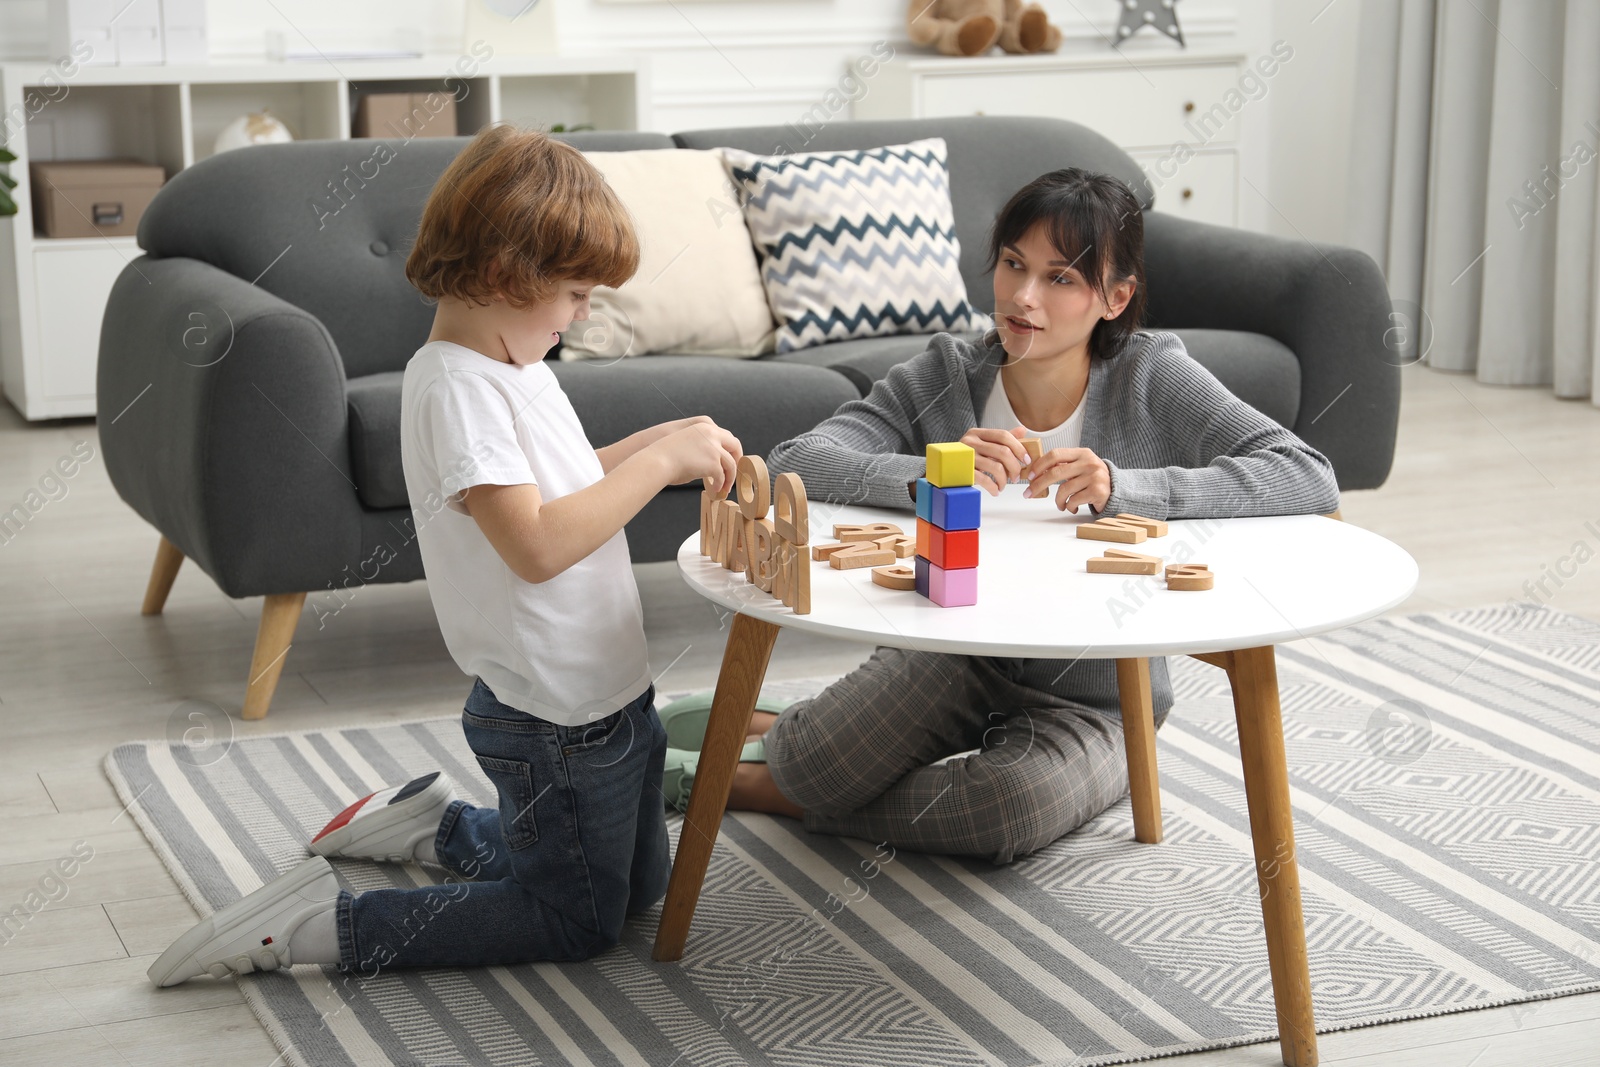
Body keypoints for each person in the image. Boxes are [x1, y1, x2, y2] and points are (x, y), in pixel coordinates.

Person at [148, 125, 743, 986]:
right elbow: (536, 544)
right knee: (574, 919)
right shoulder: (459, 390)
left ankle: (435, 825)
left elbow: (562, 484)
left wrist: (666, 437)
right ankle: (316, 926)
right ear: (507, 277)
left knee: (640, 887)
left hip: (606, 696)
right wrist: (658, 465)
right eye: (576, 293)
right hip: (554, 719)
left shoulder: (512, 361)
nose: (584, 313)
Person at [678, 167, 1340, 866]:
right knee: (816, 764)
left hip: (1098, 702)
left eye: (1060, 279)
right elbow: (795, 461)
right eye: (1014, 265)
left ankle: (724, 776)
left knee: (1001, 811)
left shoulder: (1154, 377)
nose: (1023, 298)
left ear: (1115, 297)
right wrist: (929, 475)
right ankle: (786, 751)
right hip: (952, 659)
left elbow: (1305, 473)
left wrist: (1125, 485)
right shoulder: (947, 373)